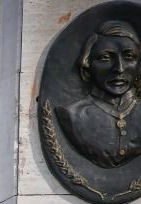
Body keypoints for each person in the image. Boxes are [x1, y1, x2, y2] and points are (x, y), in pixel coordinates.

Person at [56, 19, 141, 169]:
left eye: (129, 57)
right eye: (105, 58)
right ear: (87, 64)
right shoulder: (71, 115)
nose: (119, 69)